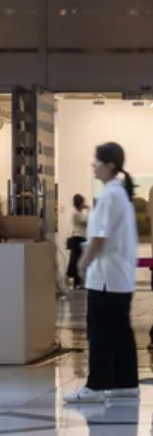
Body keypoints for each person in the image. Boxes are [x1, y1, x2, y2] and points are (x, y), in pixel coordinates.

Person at [64, 143, 140, 404]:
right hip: (120, 278)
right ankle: (125, 382)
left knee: (100, 333)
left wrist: (83, 263)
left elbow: (99, 238)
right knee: (120, 332)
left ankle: (96, 386)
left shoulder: (109, 195)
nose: (93, 166)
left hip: (106, 279)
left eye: (97, 161)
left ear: (109, 165)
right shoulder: (119, 194)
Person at [66, 194, 89, 290]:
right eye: (83, 202)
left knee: (77, 260)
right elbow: (87, 221)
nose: (84, 204)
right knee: (77, 260)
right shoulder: (76, 213)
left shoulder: (79, 213)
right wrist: (88, 210)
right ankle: (76, 283)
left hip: (80, 238)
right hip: (78, 238)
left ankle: (78, 282)